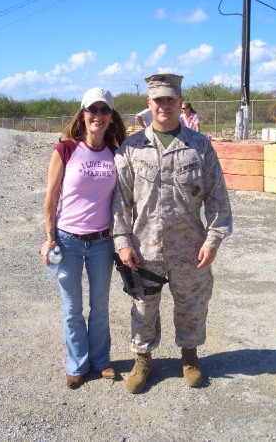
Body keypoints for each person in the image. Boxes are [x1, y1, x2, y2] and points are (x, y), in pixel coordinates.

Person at [112, 73, 232, 394]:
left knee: (192, 303)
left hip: (189, 247)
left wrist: (213, 239)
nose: (164, 105)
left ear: (180, 103)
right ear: (148, 104)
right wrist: (122, 242)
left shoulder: (199, 146)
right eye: (158, 100)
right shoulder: (131, 148)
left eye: (170, 99)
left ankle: (189, 356)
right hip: (144, 248)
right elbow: (119, 201)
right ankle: (143, 358)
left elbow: (218, 197)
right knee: (142, 306)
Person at [41, 87, 126, 390]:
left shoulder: (116, 153)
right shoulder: (65, 149)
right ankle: (77, 363)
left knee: (100, 306)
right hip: (68, 242)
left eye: (105, 111)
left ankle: (100, 361)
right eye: (93, 110)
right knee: (72, 308)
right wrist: (50, 237)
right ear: (83, 113)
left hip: (102, 242)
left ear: (111, 117)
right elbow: (50, 197)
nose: (98, 116)